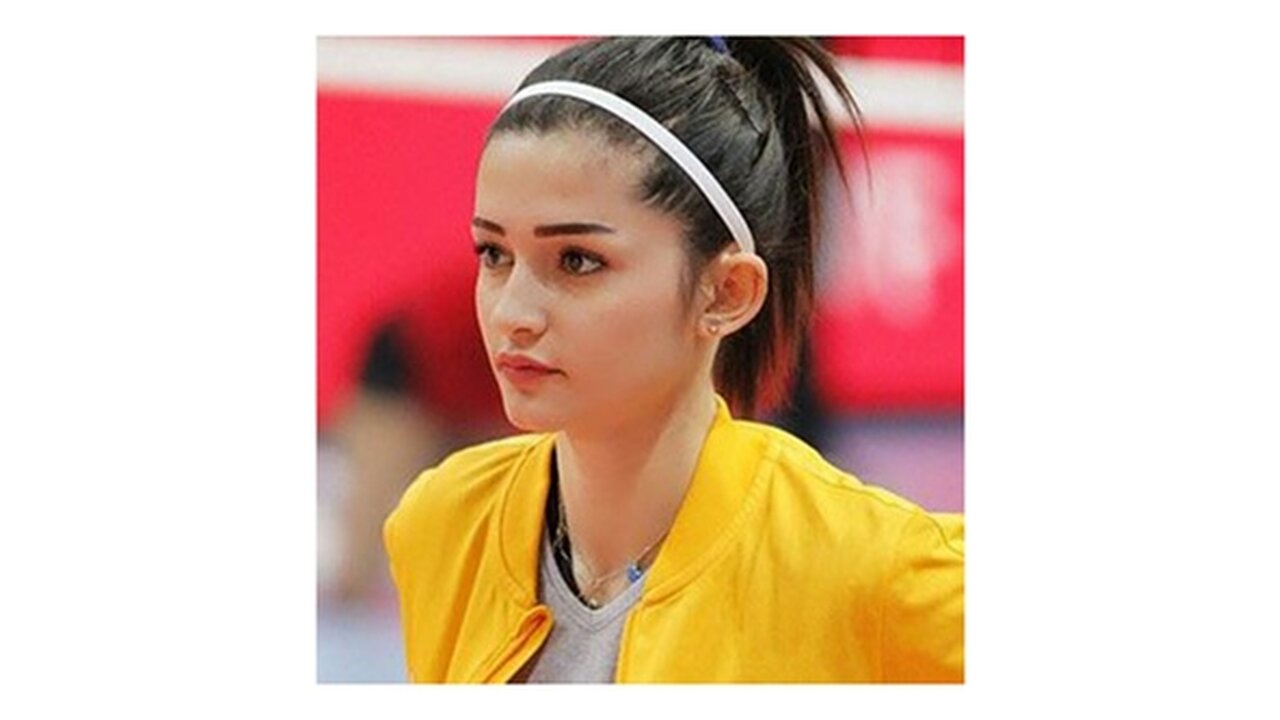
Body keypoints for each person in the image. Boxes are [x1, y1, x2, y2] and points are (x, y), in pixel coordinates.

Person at [382, 36, 964, 683]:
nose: (513, 311)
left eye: (578, 261)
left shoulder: (872, 568)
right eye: (493, 254)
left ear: (727, 292)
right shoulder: (443, 521)